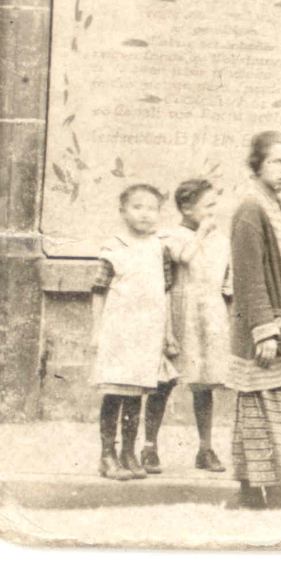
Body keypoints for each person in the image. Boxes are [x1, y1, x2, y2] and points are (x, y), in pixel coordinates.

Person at [226, 131, 281, 509]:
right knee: (263, 408)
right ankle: (265, 491)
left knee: (267, 408)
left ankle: (255, 490)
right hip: (266, 328)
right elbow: (248, 276)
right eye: (277, 161)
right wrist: (264, 330)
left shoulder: (273, 204)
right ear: (257, 163)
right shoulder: (251, 208)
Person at [92, 182, 174, 481]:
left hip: (147, 332)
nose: (145, 214)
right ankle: (107, 455)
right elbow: (99, 290)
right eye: (138, 207)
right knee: (114, 391)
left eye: (152, 208)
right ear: (123, 211)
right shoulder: (114, 247)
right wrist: (97, 331)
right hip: (118, 331)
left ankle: (128, 451)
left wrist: (168, 333)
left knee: (136, 394)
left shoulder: (159, 247)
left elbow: (165, 291)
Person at [169, 178, 233, 474]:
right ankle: (148, 447)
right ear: (186, 208)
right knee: (164, 380)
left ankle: (205, 448)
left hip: (211, 314)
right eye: (207, 207)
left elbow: (227, 282)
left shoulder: (220, 240)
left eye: (214, 206)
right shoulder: (171, 236)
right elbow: (181, 260)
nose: (213, 213)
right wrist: (201, 236)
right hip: (180, 312)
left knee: (204, 383)